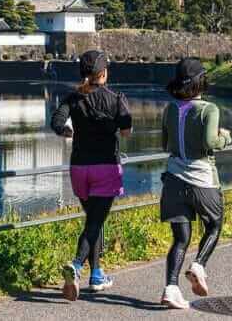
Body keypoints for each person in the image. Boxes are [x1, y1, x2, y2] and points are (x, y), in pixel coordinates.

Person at [51, 50, 132, 301]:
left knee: (93, 221)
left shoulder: (72, 98)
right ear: (104, 73)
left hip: (79, 169)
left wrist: (67, 131)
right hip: (106, 167)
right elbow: (127, 130)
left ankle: (96, 274)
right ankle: (76, 266)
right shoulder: (116, 98)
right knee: (95, 222)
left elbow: (56, 121)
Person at [158, 58, 232, 309]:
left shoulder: (169, 109)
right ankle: (198, 265)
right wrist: (225, 138)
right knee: (214, 225)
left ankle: (170, 288)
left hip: (174, 179)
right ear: (202, 81)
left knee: (180, 239)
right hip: (202, 179)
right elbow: (210, 143)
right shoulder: (209, 110)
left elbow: (164, 144)